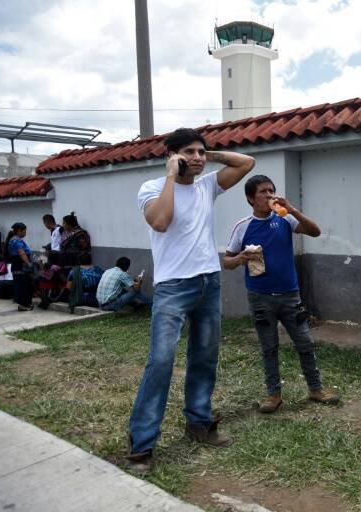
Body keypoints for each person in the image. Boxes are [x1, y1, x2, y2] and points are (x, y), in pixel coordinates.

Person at [125, 127, 255, 472]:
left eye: (201, 151)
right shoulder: (151, 189)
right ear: (171, 155)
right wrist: (172, 174)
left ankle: (198, 422)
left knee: (204, 357)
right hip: (173, 288)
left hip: (208, 283)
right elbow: (161, 221)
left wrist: (205, 158)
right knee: (162, 361)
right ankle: (142, 445)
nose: (197, 157)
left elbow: (247, 162)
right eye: (189, 152)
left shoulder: (207, 184)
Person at [223, 175, 339, 414]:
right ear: (250, 198)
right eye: (263, 192)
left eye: (272, 191)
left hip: (290, 296)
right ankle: (274, 394)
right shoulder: (242, 226)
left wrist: (292, 209)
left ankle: (316, 389)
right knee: (269, 346)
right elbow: (227, 261)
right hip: (260, 297)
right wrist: (240, 259)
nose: (269, 196)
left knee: (305, 342)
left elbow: (315, 232)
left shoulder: (285, 220)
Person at [5, 222, 33, 311]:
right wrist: (28, 263)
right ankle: (22, 305)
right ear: (19, 231)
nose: (25, 233)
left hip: (19, 265)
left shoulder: (15, 239)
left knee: (26, 284)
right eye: (24, 231)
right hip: (20, 265)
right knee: (22, 285)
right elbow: (21, 252)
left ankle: (26, 303)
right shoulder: (16, 240)